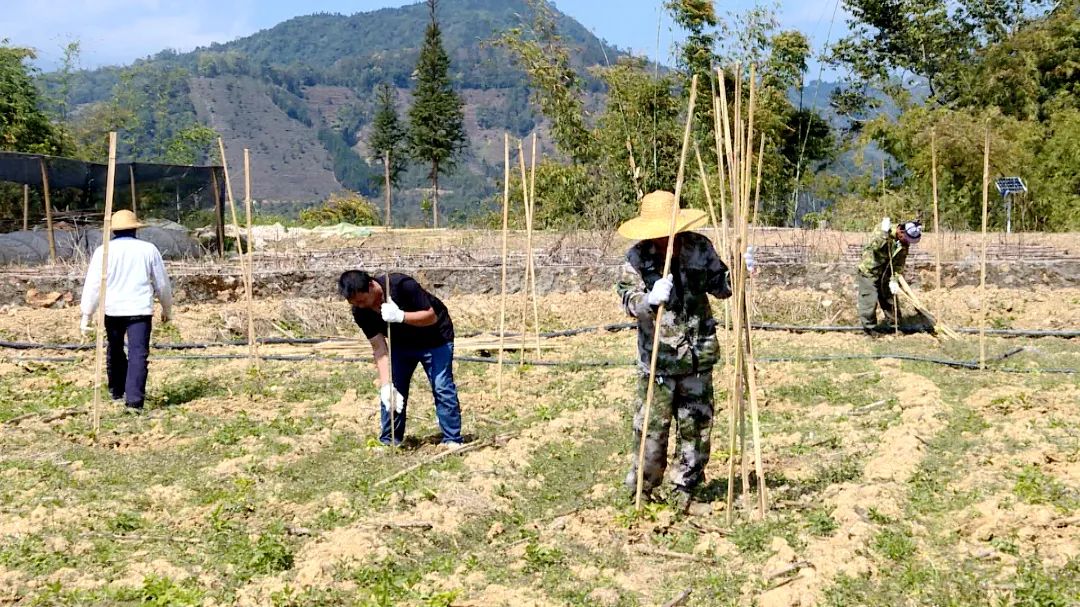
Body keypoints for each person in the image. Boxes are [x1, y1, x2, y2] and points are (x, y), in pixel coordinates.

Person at [615, 190, 731, 509]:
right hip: (659, 360)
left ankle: (684, 489)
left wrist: (741, 274)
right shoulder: (637, 258)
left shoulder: (699, 247)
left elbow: (721, 286)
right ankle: (643, 489)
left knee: (696, 428)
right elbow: (628, 299)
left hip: (697, 354)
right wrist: (649, 299)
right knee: (651, 431)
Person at [338, 269, 463, 447]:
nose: (360, 305)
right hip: (402, 344)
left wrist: (401, 316)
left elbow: (430, 316)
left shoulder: (401, 285)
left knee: (442, 386)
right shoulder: (361, 311)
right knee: (393, 391)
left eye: (361, 300)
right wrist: (386, 384)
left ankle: (452, 439)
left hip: (436, 339)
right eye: (354, 303)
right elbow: (379, 348)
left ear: (371, 286)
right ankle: (390, 440)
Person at [80, 210, 173, 412]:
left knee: (114, 349)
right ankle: (134, 401)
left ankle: (116, 391)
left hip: (112, 309)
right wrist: (167, 308)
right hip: (139, 310)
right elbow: (162, 284)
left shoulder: (103, 251)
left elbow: (93, 285)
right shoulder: (148, 250)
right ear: (135, 229)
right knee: (138, 353)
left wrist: (87, 313)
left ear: (113, 231)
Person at [855, 217, 922, 334]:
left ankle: (893, 326)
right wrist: (884, 235)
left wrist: (894, 280)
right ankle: (870, 329)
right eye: (906, 239)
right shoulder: (882, 230)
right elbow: (875, 247)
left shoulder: (903, 244)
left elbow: (899, 264)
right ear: (901, 231)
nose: (907, 242)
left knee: (890, 300)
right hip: (869, 271)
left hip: (886, 274)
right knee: (869, 300)